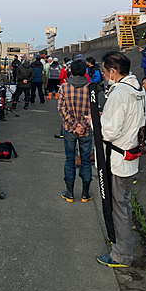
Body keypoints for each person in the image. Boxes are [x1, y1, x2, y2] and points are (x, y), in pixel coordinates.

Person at [96, 51, 146, 268]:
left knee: (118, 207)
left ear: (113, 72)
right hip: (130, 156)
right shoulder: (138, 89)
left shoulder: (118, 94)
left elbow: (109, 132)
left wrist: (95, 123)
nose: (105, 75)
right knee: (124, 204)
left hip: (117, 159)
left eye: (105, 71)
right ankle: (123, 249)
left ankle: (121, 255)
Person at [58, 59, 93, 203]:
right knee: (85, 161)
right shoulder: (91, 88)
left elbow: (61, 109)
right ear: (85, 71)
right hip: (86, 131)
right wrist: (83, 125)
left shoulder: (64, 87)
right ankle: (85, 194)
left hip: (69, 130)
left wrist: (74, 125)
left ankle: (69, 193)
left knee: (69, 160)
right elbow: (94, 110)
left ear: (71, 71)